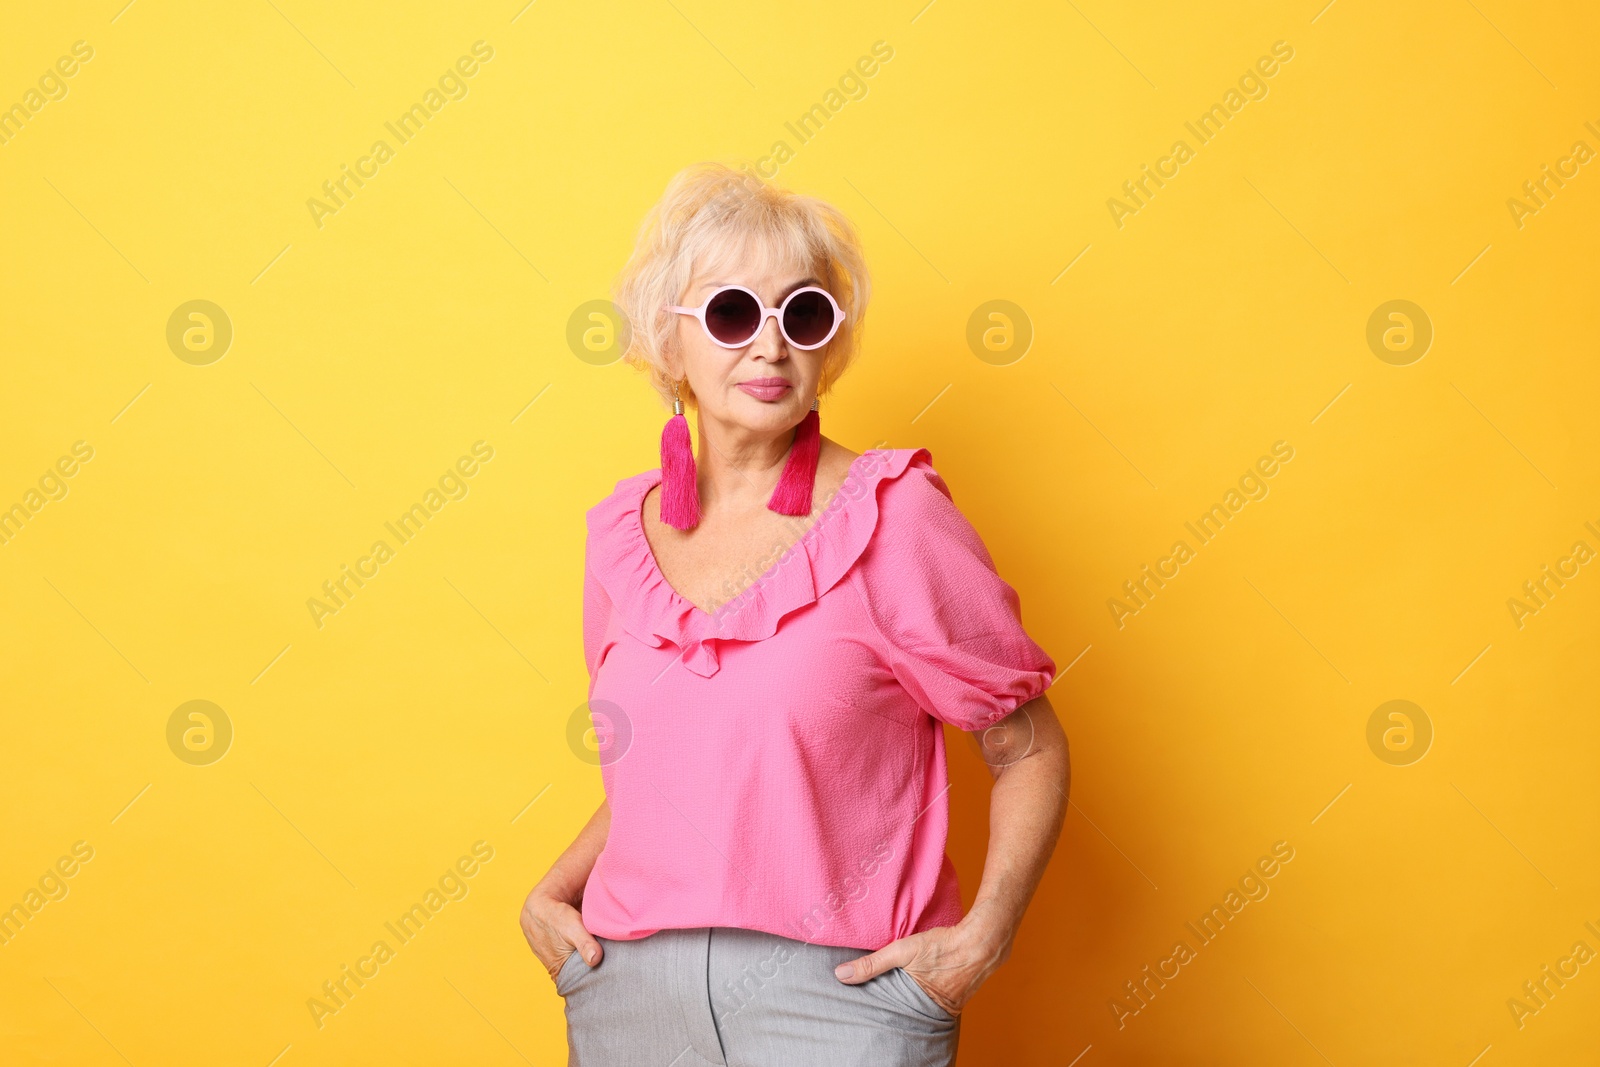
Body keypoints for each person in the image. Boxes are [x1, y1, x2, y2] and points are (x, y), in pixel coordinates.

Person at [520, 161, 1071, 1066]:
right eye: (734, 312)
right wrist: (554, 888)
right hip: (628, 996)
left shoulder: (897, 516)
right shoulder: (619, 536)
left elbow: (1030, 749)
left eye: (804, 313)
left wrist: (984, 934)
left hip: (839, 1002)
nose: (771, 346)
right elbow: (668, 768)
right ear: (671, 337)